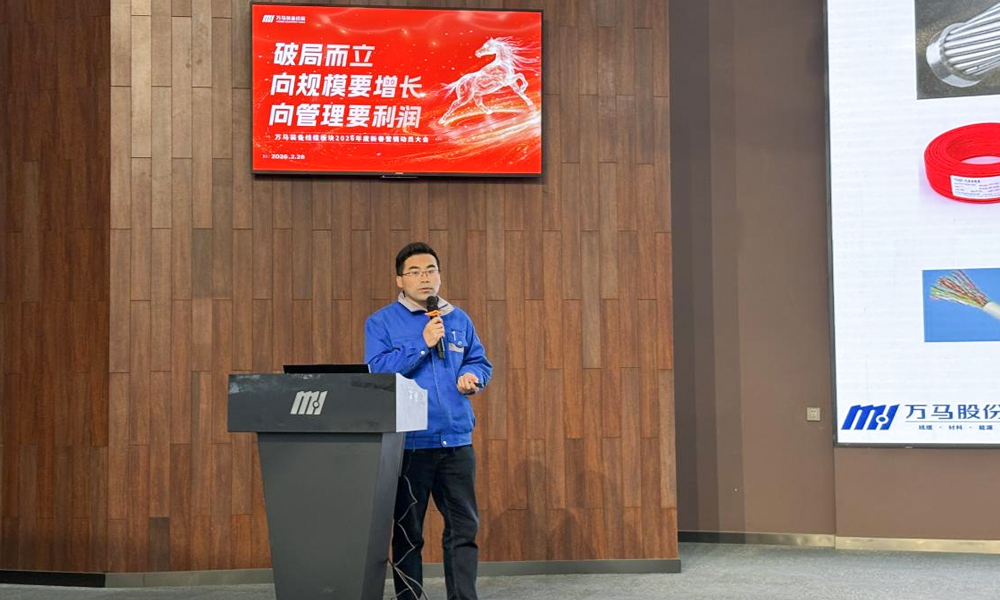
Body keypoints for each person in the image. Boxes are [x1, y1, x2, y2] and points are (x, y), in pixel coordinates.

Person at [365, 242, 492, 600]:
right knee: (409, 533)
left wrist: (473, 376)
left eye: (431, 270)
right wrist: (422, 344)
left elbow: (479, 361)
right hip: (410, 444)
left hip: (456, 441)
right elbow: (377, 370)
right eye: (415, 272)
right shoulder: (381, 322)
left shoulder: (458, 318)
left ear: (439, 276)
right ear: (399, 280)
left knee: (463, 530)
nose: (425, 278)